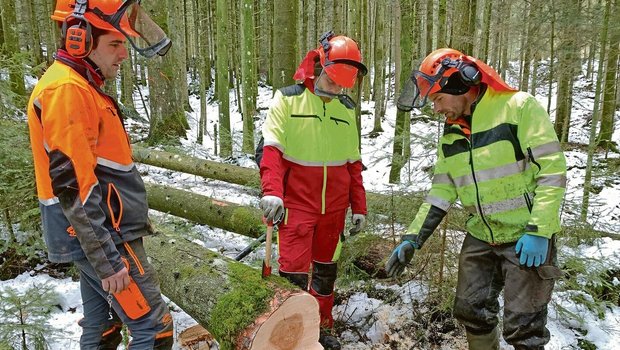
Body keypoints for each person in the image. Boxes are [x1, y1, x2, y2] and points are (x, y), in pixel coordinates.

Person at [386, 48, 566, 350]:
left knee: (524, 326)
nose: (435, 108)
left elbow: (552, 170)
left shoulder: (518, 107)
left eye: (437, 99)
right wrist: (411, 238)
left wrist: (540, 231)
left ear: (459, 84)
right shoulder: (452, 133)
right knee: (470, 309)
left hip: (525, 236)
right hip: (481, 236)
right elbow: (442, 190)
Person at [27, 0, 172, 348]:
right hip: (107, 236)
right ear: (79, 38)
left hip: (96, 233)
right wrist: (107, 260)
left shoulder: (79, 85)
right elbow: (73, 186)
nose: (123, 54)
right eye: (114, 43)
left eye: (124, 43)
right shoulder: (68, 90)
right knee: (154, 328)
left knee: (102, 326)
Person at [257, 31, 368, 350]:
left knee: (324, 275)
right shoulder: (287, 98)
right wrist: (272, 191)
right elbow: (272, 151)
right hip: (296, 207)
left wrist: (358, 206)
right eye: (333, 80)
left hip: (333, 212)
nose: (337, 89)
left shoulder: (346, 109)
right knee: (292, 275)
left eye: (343, 84)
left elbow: (353, 164)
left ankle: (322, 328)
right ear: (320, 67)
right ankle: (292, 335)